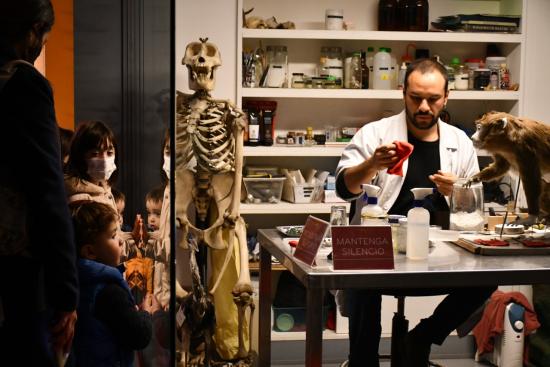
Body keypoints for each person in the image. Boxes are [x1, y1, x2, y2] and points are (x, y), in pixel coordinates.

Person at [335, 58, 496, 366]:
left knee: (486, 279)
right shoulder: (375, 134)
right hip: (380, 253)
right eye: (416, 97)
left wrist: (460, 191)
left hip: (441, 255)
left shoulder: (459, 142)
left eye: (433, 99)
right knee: (360, 282)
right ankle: (363, 361)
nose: (424, 106)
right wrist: (372, 165)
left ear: (446, 97)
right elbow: (345, 189)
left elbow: (475, 211)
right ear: (403, 93)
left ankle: (422, 337)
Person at [0, 1, 78, 365]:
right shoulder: (24, 84)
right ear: (33, 31)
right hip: (15, 266)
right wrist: (66, 295)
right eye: (44, 38)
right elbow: (47, 190)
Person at [69, 200, 157, 366]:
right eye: (113, 236)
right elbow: (139, 335)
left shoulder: (77, 279)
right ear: (90, 251)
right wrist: (146, 313)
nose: (120, 241)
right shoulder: (109, 291)